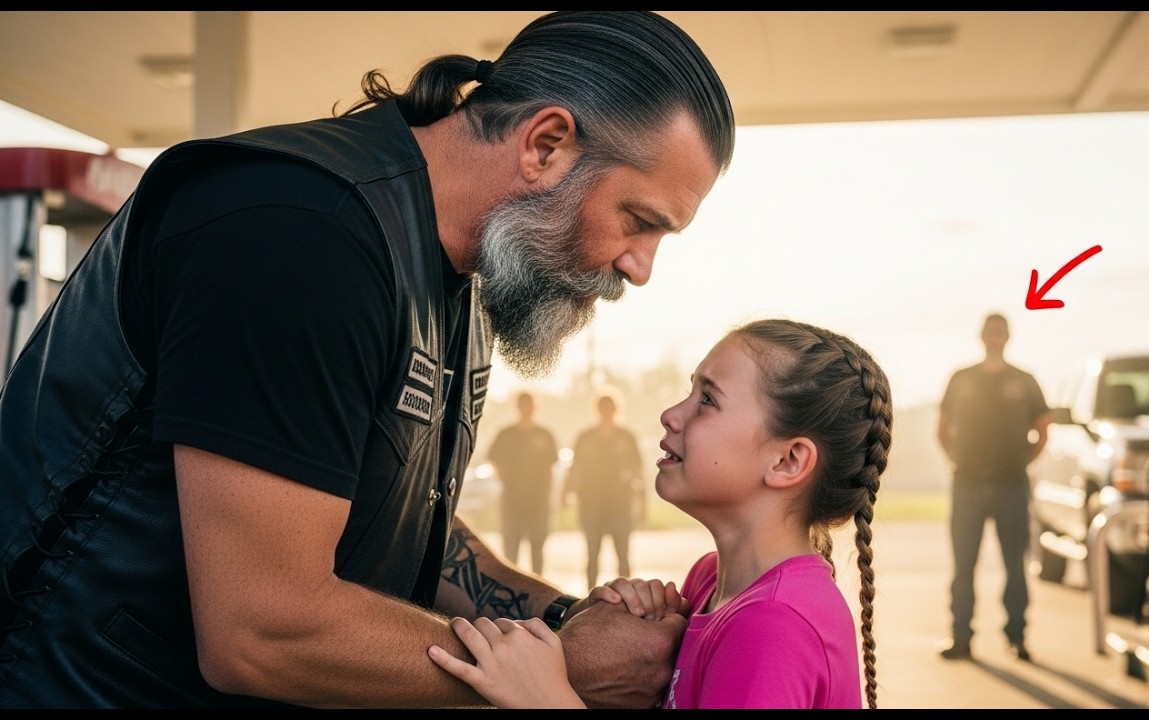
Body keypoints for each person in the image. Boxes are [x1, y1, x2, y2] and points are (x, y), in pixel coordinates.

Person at [0, 11, 735, 709]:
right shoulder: (299, 232)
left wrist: (577, 620)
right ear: (545, 144)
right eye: (640, 221)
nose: (640, 268)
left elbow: (404, 527)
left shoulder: (458, 273)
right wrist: (561, 667)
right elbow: (260, 629)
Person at [429, 318, 894, 709]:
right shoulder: (710, 581)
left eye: (708, 400)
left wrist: (546, 697)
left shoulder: (771, 628)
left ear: (787, 461)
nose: (671, 414)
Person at [934, 312, 1050, 663]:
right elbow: (943, 428)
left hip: (1011, 486)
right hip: (967, 484)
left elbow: (1043, 430)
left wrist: (1020, 463)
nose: (995, 336)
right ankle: (960, 638)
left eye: (1001, 331)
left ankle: (1017, 637)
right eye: (990, 331)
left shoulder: (1025, 381)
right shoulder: (961, 378)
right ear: (982, 335)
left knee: (1015, 565)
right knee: (963, 565)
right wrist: (958, 460)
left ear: (1008, 336)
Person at [562, 389, 645, 588]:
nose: (606, 411)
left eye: (610, 407)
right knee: (592, 553)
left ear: (616, 409)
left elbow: (638, 470)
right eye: (602, 407)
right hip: (591, 502)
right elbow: (576, 467)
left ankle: (627, 598)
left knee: (622, 553)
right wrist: (566, 492)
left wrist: (643, 500)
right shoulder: (586, 437)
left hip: (620, 502)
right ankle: (591, 595)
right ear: (596, 409)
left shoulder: (626, 437)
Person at [486, 390, 560, 574]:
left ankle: (539, 587)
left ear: (535, 407)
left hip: (538, 500)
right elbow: (496, 463)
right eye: (523, 404)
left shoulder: (545, 434)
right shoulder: (506, 435)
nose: (526, 408)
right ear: (517, 407)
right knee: (511, 549)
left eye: (529, 404)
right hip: (512, 499)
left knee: (537, 547)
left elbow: (550, 468)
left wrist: (549, 495)